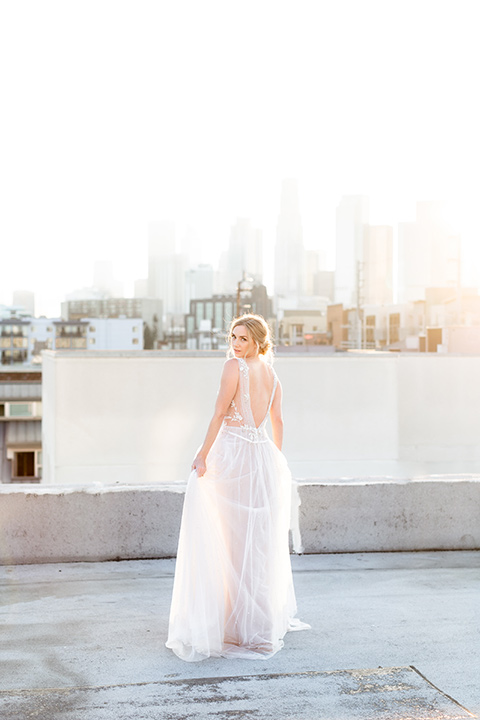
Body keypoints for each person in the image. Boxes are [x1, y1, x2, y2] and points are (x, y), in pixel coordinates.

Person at [165, 314, 309, 661]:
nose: (235, 344)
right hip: (261, 459)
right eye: (233, 337)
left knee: (229, 542)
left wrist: (201, 455)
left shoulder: (235, 368)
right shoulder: (273, 377)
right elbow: (278, 423)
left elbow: (218, 414)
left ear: (259, 340)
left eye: (243, 338)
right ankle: (252, 623)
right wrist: (274, 459)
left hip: (232, 459)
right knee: (253, 545)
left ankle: (232, 626)